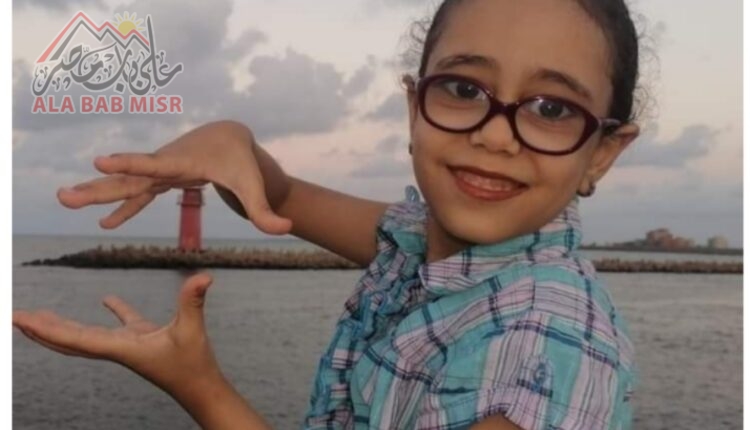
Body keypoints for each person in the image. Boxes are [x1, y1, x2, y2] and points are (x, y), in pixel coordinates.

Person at [12, 0, 644, 428]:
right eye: (462, 89)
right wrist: (231, 142)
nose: (496, 135)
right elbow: (282, 198)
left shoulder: (544, 348)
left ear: (603, 153)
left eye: (552, 109)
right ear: (414, 108)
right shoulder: (417, 241)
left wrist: (196, 385)